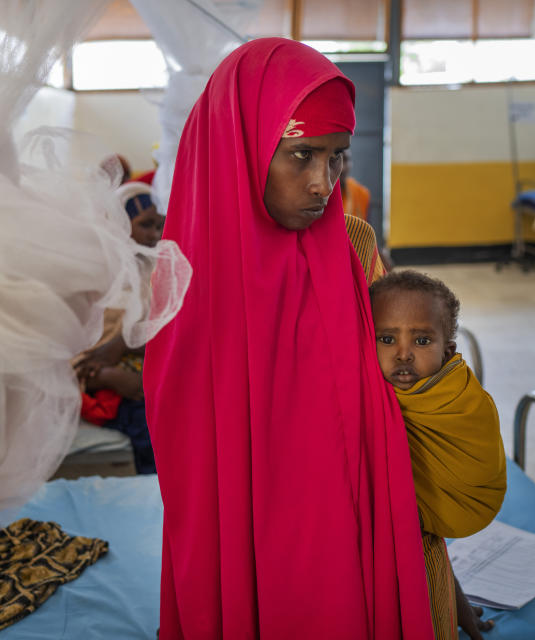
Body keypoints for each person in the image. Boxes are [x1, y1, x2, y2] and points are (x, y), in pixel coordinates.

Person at [143, 38, 435, 638]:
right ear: (240, 146)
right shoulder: (188, 283)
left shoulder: (353, 252)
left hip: (347, 544)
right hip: (247, 558)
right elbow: (195, 477)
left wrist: (434, 585)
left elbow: (402, 406)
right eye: (302, 155)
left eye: (336, 159)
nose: (321, 184)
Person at [369, 270, 507, 640]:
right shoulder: (368, 400)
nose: (403, 353)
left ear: (448, 351)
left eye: (422, 339)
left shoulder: (461, 402)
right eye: (386, 338)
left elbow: (427, 529)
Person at [73, 182, 166, 474]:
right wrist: (110, 376)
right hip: (98, 380)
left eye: (159, 226)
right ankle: (155, 496)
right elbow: (70, 349)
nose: (155, 235)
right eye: (145, 225)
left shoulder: (160, 271)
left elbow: (167, 336)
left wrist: (126, 346)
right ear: (120, 225)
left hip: (145, 373)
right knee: (151, 428)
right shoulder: (92, 275)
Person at [341, 148, 371, 221]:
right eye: (337, 160)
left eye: (346, 159)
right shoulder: (318, 194)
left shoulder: (362, 193)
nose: (343, 168)